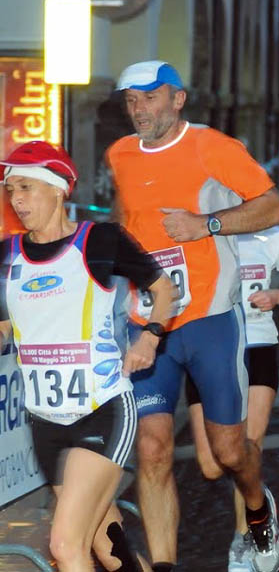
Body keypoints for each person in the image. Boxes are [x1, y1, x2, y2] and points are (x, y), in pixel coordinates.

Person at [106, 60, 279, 572]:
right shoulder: (120, 154)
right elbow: (124, 221)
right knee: (152, 448)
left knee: (228, 453)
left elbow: (274, 208)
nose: (139, 109)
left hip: (210, 320)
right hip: (149, 324)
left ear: (178, 98)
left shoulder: (214, 147)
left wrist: (206, 224)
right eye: (131, 100)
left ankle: (258, 509)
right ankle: (165, 565)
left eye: (150, 97)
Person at [0, 141, 174, 572]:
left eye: (26, 187)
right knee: (105, 545)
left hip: (102, 409)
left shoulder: (99, 240)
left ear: (59, 189)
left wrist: (150, 337)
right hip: (45, 421)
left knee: (65, 545)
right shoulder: (7, 254)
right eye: (10, 189)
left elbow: (163, 288)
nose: (16, 199)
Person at [184, 225, 279, 571]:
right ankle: (259, 497)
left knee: (247, 446)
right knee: (210, 465)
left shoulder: (273, 236)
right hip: (209, 351)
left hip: (257, 345)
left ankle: (245, 537)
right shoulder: (196, 230)